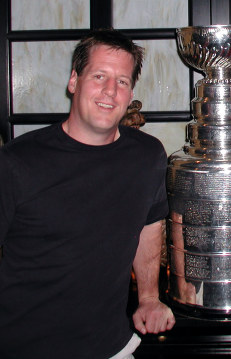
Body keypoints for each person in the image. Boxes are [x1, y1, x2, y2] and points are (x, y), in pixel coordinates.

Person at [0, 29, 175, 359]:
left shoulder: (147, 155)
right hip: (24, 346)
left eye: (122, 81)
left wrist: (149, 297)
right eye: (99, 76)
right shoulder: (17, 161)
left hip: (111, 347)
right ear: (73, 81)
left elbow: (149, 224)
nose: (110, 90)